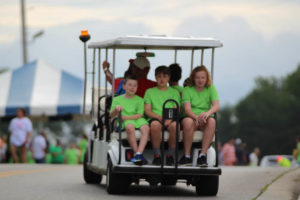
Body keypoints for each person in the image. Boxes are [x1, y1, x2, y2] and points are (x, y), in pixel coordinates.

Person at [180, 66, 220, 167]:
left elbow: (216, 105)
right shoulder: (187, 90)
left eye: (203, 77)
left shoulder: (211, 88)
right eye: (198, 78)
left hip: (204, 118)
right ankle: (187, 156)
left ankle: (202, 155)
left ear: (207, 78)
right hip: (191, 117)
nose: (200, 80)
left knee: (212, 121)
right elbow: (187, 109)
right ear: (193, 78)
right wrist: (197, 117)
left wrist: (207, 113)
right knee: (188, 122)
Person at [144, 66, 181, 165]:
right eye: (159, 76)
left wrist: (170, 119)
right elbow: (147, 110)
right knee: (155, 126)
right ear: (155, 77)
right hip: (156, 118)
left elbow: (177, 108)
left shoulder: (174, 92)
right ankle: (157, 156)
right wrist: (159, 117)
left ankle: (170, 155)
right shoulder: (149, 92)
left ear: (169, 78)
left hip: (170, 118)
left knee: (175, 126)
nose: (162, 79)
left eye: (165, 76)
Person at [110, 75, 150, 165]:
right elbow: (111, 115)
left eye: (134, 86)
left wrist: (126, 117)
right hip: (125, 121)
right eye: (129, 85)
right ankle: (137, 154)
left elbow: (139, 115)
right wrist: (116, 109)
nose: (132, 87)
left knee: (146, 128)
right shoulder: (117, 99)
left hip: (136, 119)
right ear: (124, 86)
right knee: (129, 127)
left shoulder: (140, 100)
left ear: (137, 87)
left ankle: (139, 153)